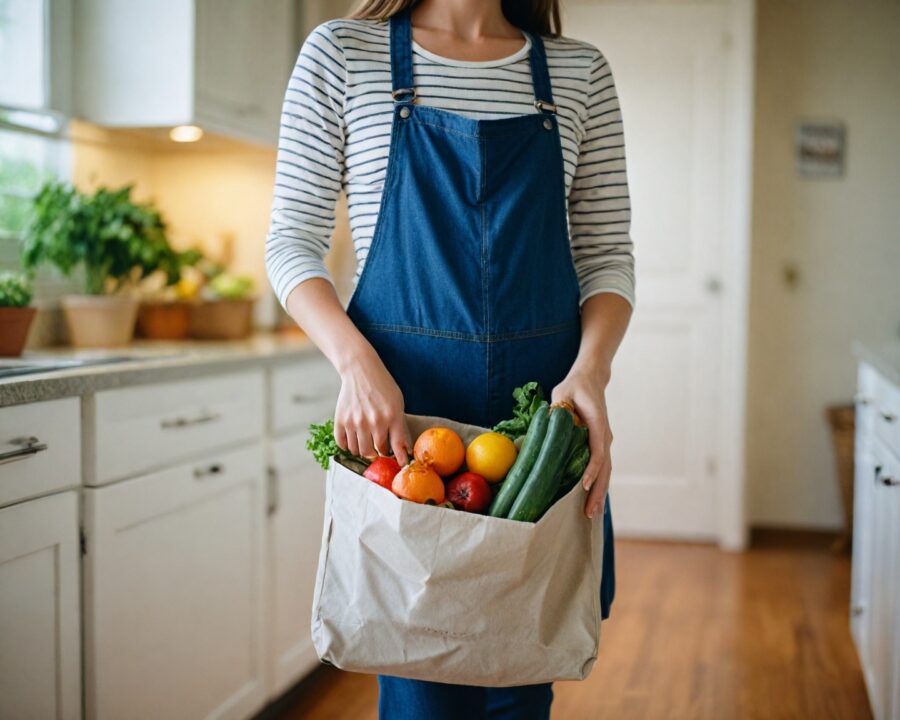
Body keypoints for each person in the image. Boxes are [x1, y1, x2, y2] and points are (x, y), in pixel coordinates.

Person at [265, 0, 634, 717]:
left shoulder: (578, 71)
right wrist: (355, 363)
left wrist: (592, 370)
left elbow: (607, 255)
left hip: (539, 426)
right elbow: (289, 242)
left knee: (526, 667)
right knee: (417, 674)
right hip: (409, 422)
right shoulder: (344, 53)